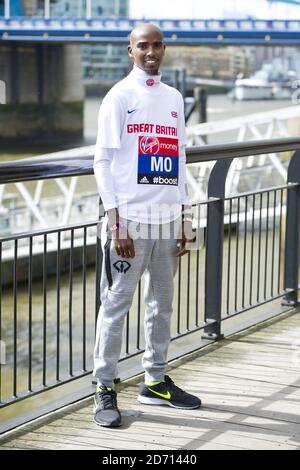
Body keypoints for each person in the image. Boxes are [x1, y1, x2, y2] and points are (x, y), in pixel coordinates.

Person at [93, 23, 201, 428]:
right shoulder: (119, 97)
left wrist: (186, 217)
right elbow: (102, 161)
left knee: (161, 306)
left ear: (164, 49)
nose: (151, 51)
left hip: (168, 220)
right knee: (115, 306)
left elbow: (179, 159)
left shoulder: (173, 98)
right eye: (143, 46)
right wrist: (115, 222)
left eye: (157, 45)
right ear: (130, 51)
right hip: (131, 224)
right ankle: (104, 387)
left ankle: (154, 381)